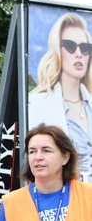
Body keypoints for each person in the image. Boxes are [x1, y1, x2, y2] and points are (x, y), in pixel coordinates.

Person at [29, 13, 92, 180]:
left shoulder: (89, 102)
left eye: (85, 48)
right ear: (57, 50)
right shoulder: (37, 103)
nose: (79, 54)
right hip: (63, 198)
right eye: (70, 46)